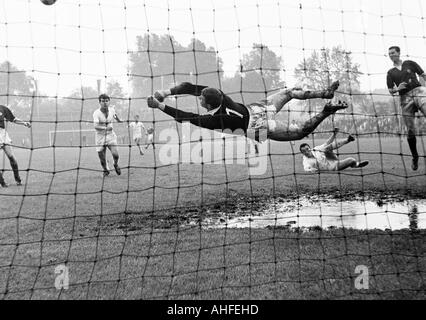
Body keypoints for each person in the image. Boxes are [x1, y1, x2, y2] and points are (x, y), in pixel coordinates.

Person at [147, 81, 346, 143]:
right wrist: (166, 92)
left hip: (257, 126)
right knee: (288, 93)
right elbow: (190, 86)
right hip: (257, 108)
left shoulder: (217, 120)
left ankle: (326, 104)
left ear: (208, 105)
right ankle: (324, 95)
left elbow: (187, 117)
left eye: (200, 99)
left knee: (300, 132)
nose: (198, 98)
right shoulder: (219, 94)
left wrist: (160, 105)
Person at [387, 46, 426, 170]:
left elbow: (423, 75)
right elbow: (390, 90)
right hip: (404, 98)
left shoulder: (410, 63)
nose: (391, 55)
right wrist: (397, 89)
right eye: (389, 54)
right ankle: (415, 157)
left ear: (399, 53)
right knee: (410, 130)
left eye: (393, 53)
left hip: (418, 91)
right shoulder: (390, 72)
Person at [299, 128, 369, 172]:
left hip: (331, 158)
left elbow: (327, 143)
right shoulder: (306, 160)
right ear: (302, 153)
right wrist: (312, 170)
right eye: (304, 151)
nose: (306, 152)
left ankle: (348, 139)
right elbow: (306, 169)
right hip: (332, 167)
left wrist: (334, 134)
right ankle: (356, 165)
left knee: (326, 148)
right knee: (351, 160)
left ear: (310, 148)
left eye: (307, 149)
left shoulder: (315, 149)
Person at [0, 105, 31, 187]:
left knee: (12, 157)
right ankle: (2, 183)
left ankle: (18, 180)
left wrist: (24, 123)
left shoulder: (2, 108)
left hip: (3, 135)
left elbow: (13, 119)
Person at [93, 94, 123, 177]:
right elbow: (95, 126)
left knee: (116, 155)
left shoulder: (112, 110)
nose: (105, 103)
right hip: (100, 137)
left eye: (106, 101)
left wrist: (119, 120)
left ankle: (115, 164)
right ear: (99, 102)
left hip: (110, 136)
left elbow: (115, 115)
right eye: (103, 101)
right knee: (102, 159)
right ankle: (106, 170)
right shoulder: (96, 113)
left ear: (109, 102)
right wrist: (106, 128)